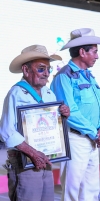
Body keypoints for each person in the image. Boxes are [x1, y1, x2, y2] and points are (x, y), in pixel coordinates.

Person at [0, 44, 70, 201]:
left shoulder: (48, 92)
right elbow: (6, 130)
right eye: (41, 69)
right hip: (24, 161)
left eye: (48, 69)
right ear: (26, 70)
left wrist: (63, 114)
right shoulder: (16, 93)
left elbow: (54, 123)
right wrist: (32, 153)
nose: (46, 74)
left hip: (46, 160)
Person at [50, 28, 100, 201]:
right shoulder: (64, 77)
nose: (97, 56)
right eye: (95, 51)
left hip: (92, 139)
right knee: (72, 191)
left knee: (91, 191)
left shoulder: (89, 76)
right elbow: (70, 112)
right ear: (82, 52)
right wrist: (95, 132)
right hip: (75, 139)